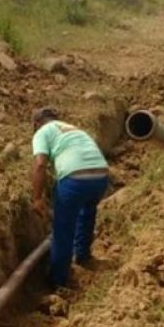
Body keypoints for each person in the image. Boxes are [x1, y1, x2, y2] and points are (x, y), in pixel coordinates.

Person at [31, 107, 110, 288]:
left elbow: (40, 165)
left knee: (63, 230)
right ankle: (82, 255)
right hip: (101, 176)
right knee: (87, 212)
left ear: (36, 124)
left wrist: (37, 198)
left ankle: (57, 281)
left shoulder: (42, 132)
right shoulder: (72, 129)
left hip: (75, 179)